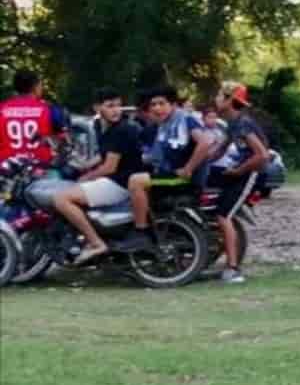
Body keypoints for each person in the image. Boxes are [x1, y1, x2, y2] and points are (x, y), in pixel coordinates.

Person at [47, 90, 142, 266]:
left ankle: (95, 243)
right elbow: (104, 155)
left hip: (119, 183)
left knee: (60, 199)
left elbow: (109, 167)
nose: (116, 110)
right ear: (97, 107)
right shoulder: (103, 127)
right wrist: (84, 166)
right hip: (115, 180)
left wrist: (87, 176)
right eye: (110, 106)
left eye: (117, 105)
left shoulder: (122, 129)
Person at [129, 86, 218, 240]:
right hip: (170, 175)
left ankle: (140, 234)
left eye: (162, 103)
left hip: (183, 179)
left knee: (135, 182)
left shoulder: (185, 119)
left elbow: (205, 142)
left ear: (173, 104)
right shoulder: (164, 124)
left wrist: (188, 168)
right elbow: (154, 156)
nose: (157, 108)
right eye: (153, 104)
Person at [205, 81, 270, 284]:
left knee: (223, 215)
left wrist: (238, 171)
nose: (215, 99)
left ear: (230, 100)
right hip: (238, 170)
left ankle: (233, 269)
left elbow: (262, 155)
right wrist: (198, 164)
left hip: (250, 173)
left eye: (219, 96)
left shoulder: (243, 123)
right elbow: (221, 149)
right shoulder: (233, 122)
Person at [2, 69, 62, 165]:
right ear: (35, 87)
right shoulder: (49, 109)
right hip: (41, 171)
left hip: (8, 173)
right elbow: (62, 143)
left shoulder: (2, 109)